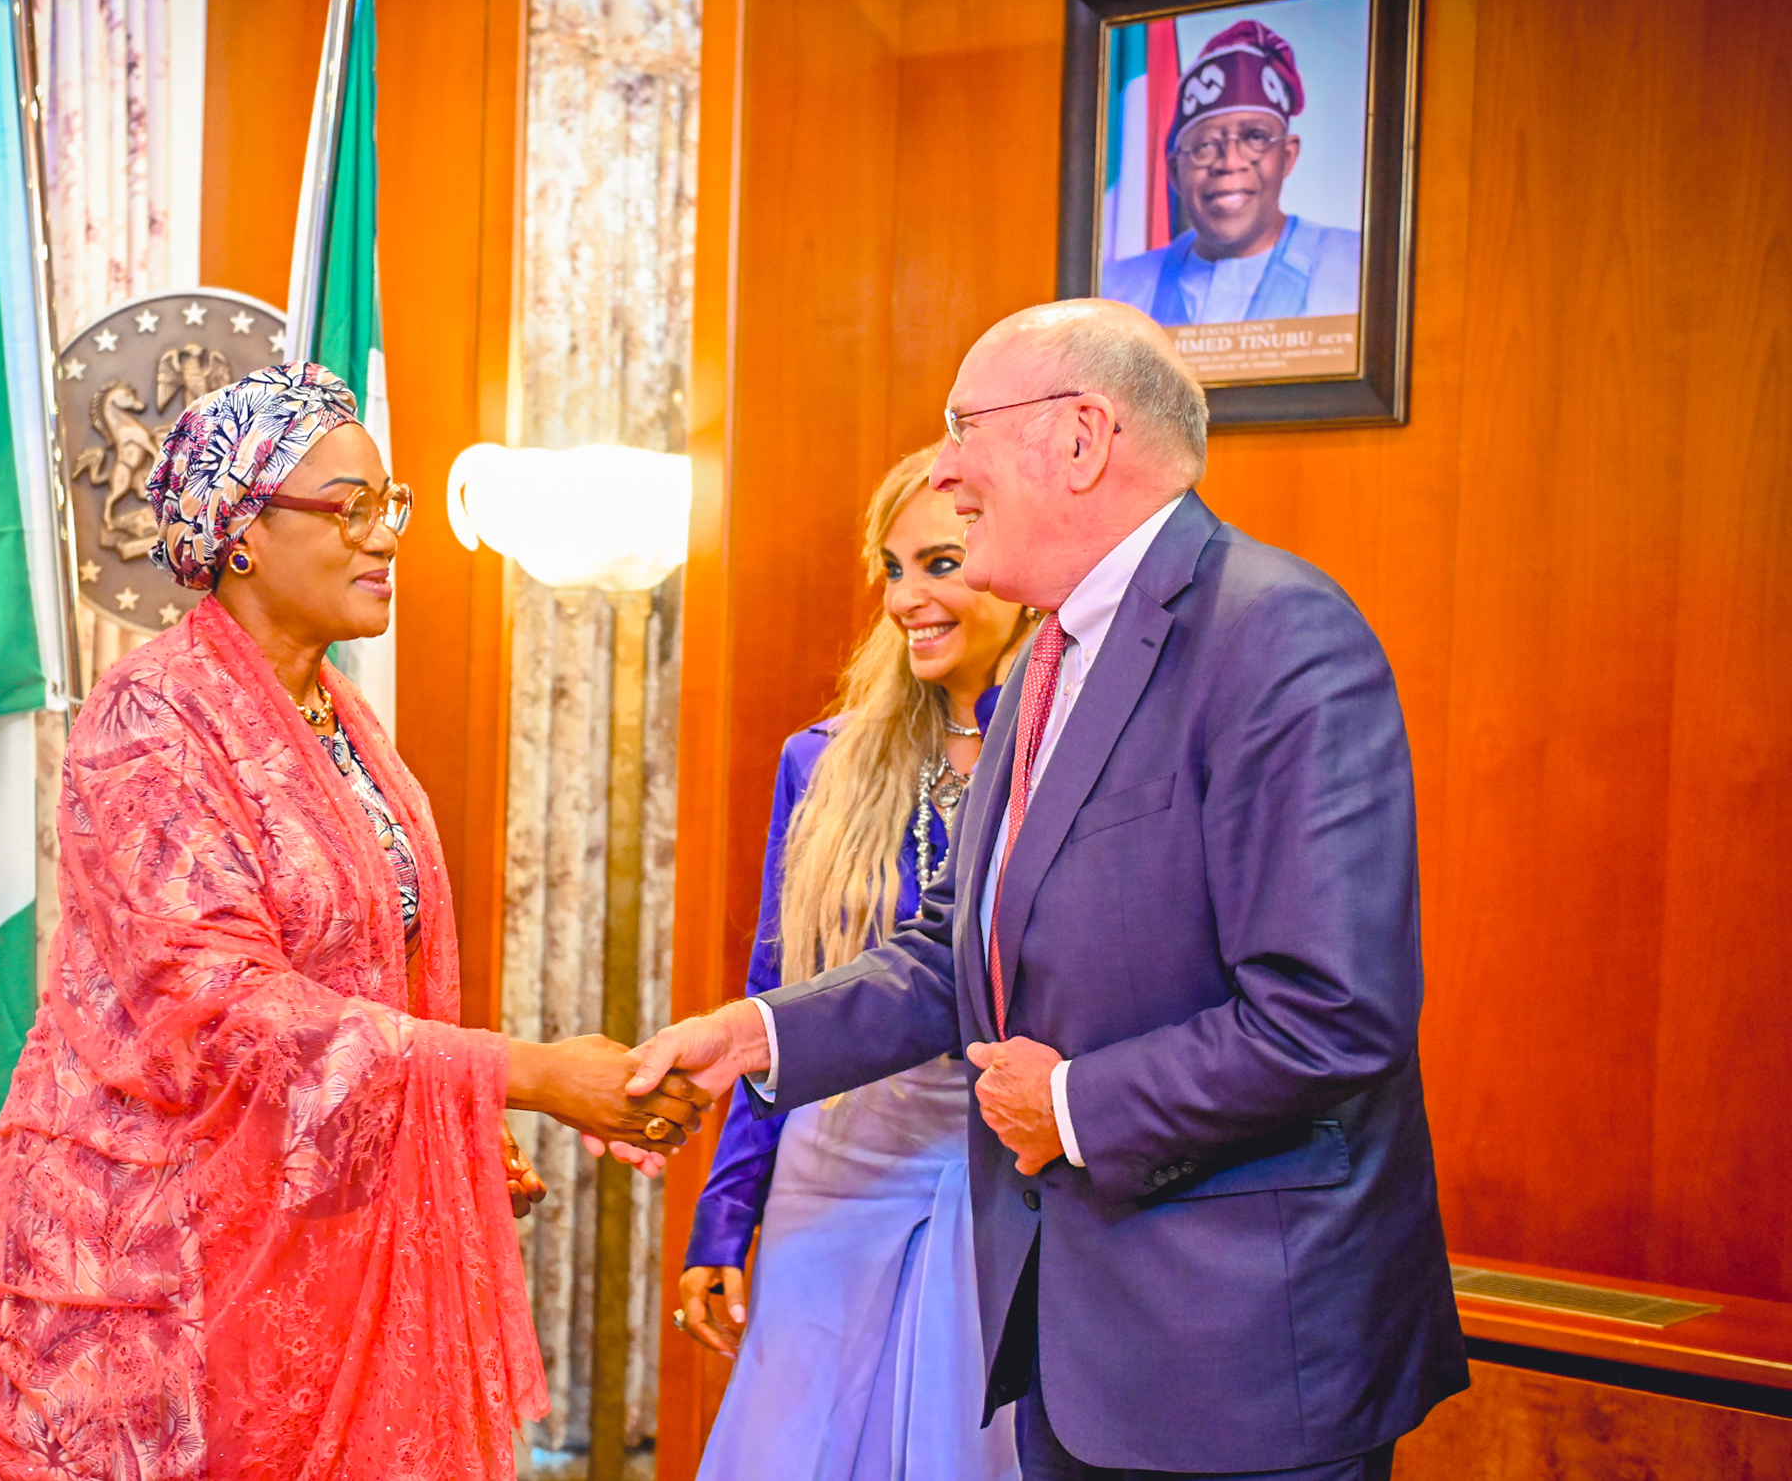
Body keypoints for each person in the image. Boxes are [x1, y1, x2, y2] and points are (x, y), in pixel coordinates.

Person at [624, 301, 1469, 1480]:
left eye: (965, 426)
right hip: (1076, 1346)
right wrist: (757, 1033)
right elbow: (959, 948)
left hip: (1238, 1357)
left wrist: (1072, 1105)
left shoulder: (1277, 637)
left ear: (1081, 438)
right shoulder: (1049, 663)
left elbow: (1332, 1014)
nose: (946, 468)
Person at [0, 364, 710, 1481]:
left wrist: (449, 1117)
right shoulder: (150, 714)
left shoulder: (338, 714)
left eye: (388, 503)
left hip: (300, 1242)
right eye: (350, 508)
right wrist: (527, 1076)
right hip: (153, 1270)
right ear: (243, 533)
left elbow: (368, 976)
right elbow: (221, 1010)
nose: (387, 535)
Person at [676, 448, 1033, 1481]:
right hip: (834, 1170)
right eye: (893, 569)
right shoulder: (822, 762)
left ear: (1016, 568)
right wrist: (724, 1219)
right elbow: (779, 1001)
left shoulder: (1068, 762)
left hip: (1003, 1178)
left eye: (941, 564)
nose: (907, 599)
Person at [1102, 21, 1362, 326]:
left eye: (1255, 137)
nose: (1229, 162)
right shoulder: (1115, 295)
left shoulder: (1360, 269)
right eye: (1205, 145)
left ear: (1287, 156)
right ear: (1175, 172)